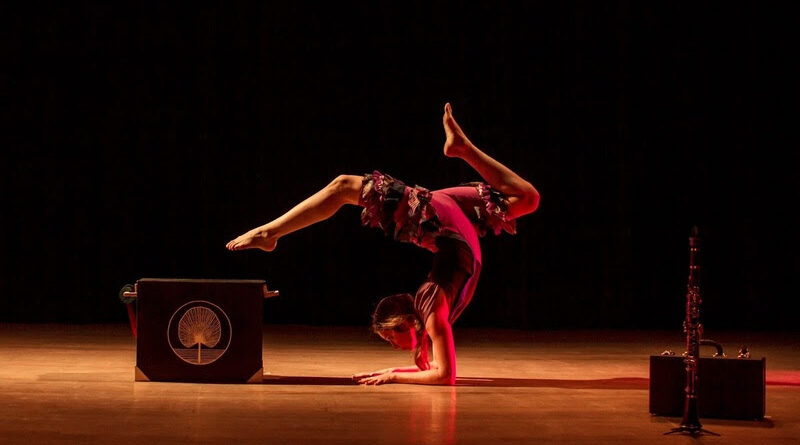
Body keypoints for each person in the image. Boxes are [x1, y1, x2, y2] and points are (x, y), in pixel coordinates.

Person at [226, 103, 540, 385]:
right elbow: (442, 374)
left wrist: (392, 374)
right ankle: (270, 234)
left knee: (344, 186)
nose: (392, 346)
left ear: (407, 323)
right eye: (390, 340)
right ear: (407, 323)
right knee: (526, 199)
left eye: (390, 339)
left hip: (452, 228)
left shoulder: (430, 307)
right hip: (453, 228)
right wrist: (394, 371)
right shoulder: (430, 311)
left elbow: (443, 375)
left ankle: (271, 233)